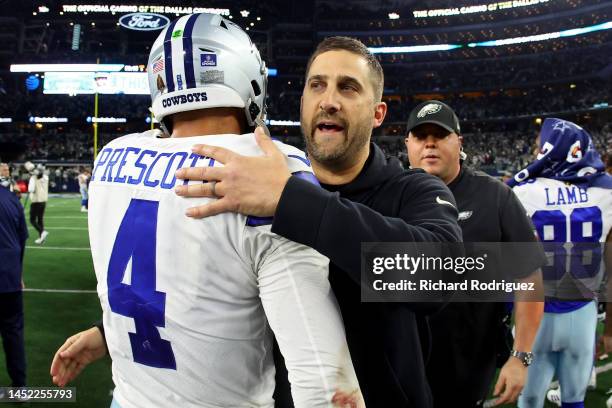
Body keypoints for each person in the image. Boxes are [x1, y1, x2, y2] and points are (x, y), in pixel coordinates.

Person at [52, 13, 362, 408]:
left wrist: (107, 336)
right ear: (249, 81)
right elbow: (322, 382)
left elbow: (176, 291)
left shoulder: (112, 158)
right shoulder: (269, 170)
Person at [172, 36, 462, 407]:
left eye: (348, 87)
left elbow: (439, 276)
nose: (329, 100)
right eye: (317, 86)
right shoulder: (252, 186)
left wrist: (292, 201)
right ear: (303, 103)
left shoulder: (413, 190)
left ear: (378, 113)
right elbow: (205, 282)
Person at [404, 100, 544, 407]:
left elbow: (529, 276)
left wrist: (520, 356)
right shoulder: (387, 197)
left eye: (439, 135)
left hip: (468, 368)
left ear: (459, 142)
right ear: (408, 144)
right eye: (420, 135)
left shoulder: (495, 197)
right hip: (400, 366)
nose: (429, 143)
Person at [509, 118, 612, 408]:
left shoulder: (522, 191)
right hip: (583, 313)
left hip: (535, 318)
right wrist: (611, 328)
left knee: (529, 401)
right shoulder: (606, 190)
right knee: (574, 401)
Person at [0, 168, 28, 389]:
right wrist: (18, 273)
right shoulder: (12, 200)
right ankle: (20, 387)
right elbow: (21, 241)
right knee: (13, 334)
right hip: (9, 278)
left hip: (10, 276)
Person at [26, 162, 49, 244]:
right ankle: (41, 238)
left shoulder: (33, 178)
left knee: (32, 220)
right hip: (44, 200)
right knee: (40, 219)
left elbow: (31, 189)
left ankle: (42, 232)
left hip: (36, 201)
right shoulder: (46, 177)